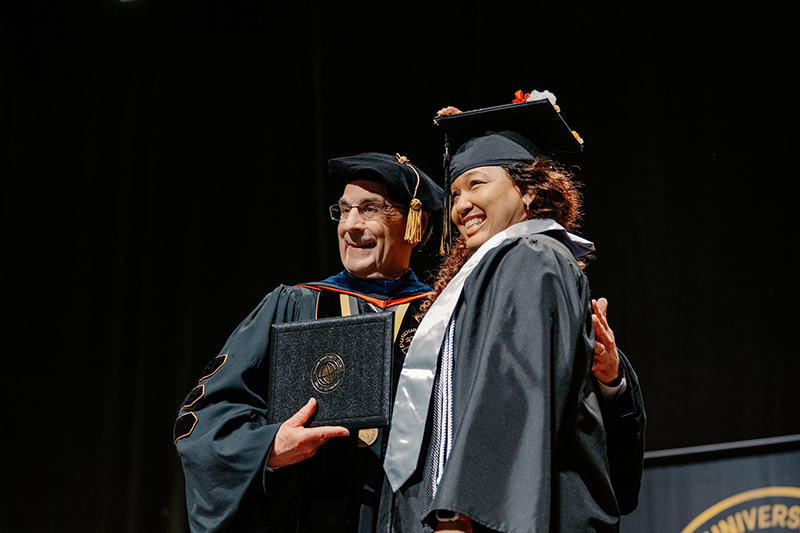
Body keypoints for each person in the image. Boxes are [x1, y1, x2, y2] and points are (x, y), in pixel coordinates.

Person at [381, 93, 646, 532]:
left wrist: (458, 510)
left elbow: (512, 391)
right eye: (455, 193)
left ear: (527, 190)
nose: (461, 204)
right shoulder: (487, 276)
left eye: (478, 184)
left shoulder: (532, 255)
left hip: (484, 518)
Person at [174, 152, 445, 532]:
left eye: (369, 210)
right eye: (343, 210)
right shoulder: (293, 305)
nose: (350, 226)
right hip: (311, 515)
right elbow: (206, 416)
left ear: (416, 222)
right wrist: (269, 448)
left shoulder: (442, 313)